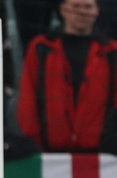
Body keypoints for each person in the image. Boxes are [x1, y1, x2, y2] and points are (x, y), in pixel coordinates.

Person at [16, 0, 117, 153]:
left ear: (97, 11)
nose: (82, 12)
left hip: (103, 154)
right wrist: (33, 142)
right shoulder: (41, 48)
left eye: (88, 7)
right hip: (49, 152)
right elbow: (27, 99)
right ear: (62, 9)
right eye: (76, 6)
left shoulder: (111, 51)